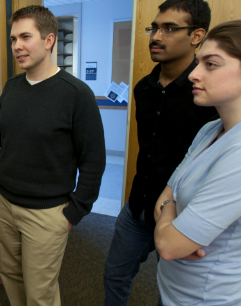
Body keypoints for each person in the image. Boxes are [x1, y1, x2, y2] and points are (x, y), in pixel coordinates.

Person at [0, 5, 105, 306]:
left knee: (40, 294)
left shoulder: (76, 95)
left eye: (25, 37)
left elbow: (93, 160)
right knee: (11, 277)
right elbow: (3, 135)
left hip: (47, 213)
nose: (17, 46)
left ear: (49, 40)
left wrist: (75, 212)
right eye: (13, 39)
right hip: (5, 203)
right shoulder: (12, 87)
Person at [102, 0, 218, 305]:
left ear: (196, 36)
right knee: (114, 274)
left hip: (184, 215)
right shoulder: (143, 88)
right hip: (138, 206)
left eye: (169, 29)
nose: (155, 36)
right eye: (154, 28)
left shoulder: (208, 95)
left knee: (173, 294)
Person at [154, 19, 241, 306]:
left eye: (211, 64)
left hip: (207, 298)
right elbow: (167, 194)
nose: (194, 74)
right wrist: (171, 214)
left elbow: (168, 246)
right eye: (199, 62)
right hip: (174, 289)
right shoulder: (210, 130)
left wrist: (170, 217)